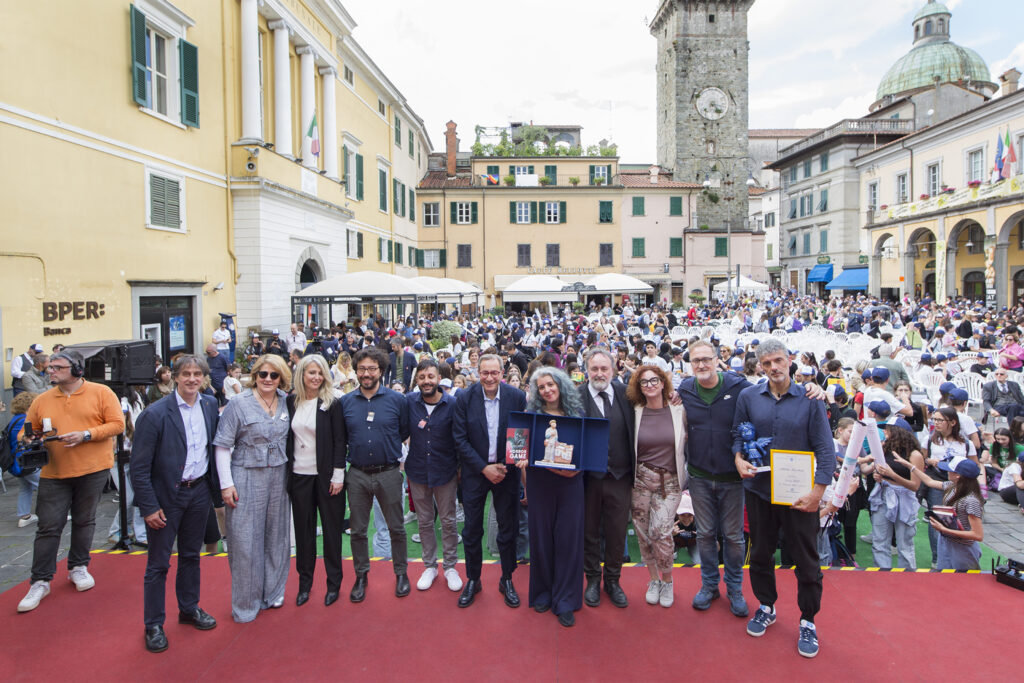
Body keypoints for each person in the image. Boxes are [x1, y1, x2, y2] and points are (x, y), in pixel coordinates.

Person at [733, 338, 834, 659]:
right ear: (759, 366)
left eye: (778, 361)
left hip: (800, 494)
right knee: (760, 554)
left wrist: (818, 492)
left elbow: (825, 448)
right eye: (766, 364)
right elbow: (738, 433)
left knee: (805, 559)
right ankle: (766, 605)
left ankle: (808, 620)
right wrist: (738, 458)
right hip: (760, 491)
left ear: (790, 360)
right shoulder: (749, 396)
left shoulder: (810, 398)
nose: (774, 368)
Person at [16, 350, 126, 613]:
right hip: (54, 473)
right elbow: (25, 430)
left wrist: (86, 435)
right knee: (48, 526)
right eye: (50, 367)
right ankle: (40, 581)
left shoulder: (101, 393)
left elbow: (117, 424)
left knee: (84, 520)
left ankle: (78, 567)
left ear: (77, 369)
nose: (50, 371)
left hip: (92, 469)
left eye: (57, 367)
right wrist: (28, 439)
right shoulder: (42, 399)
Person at [130, 355, 221, 652]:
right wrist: (148, 506)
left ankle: (189, 608)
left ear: (204, 377)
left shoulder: (209, 405)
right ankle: (153, 623)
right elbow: (139, 467)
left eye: (197, 374)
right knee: (158, 564)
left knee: (192, 555)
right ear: (175, 378)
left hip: (198, 493)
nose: (192, 379)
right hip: (166, 498)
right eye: (186, 374)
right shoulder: (155, 414)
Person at [213, 354, 292, 622]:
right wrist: (226, 485)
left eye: (274, 375)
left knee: (276, 537)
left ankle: (272, 592)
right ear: (254, 375)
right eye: (263, 374)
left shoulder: (286, 401)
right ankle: (246, 603)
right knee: (245, 540)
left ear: (282, 377)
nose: (268, 379)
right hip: (245, 475)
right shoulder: (238, 403)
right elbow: (223, 446)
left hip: (279, 476)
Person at [677, 339, 751, 616]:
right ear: (690, 364)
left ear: (718, 359)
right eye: (696, 361)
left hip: (732, 478)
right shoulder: (685, 389)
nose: (702, 365)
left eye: (706, 359)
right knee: (706, 535)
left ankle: (734, 587)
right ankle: (709, 585)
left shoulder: (739, 387)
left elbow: (767, 396)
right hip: (698, 476)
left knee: (733, 537)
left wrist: (810, 386)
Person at [452, 353, 527, 609]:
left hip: (507, 473)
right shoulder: (464, 398)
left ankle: (507, 578)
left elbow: (520, 434)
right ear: (478, 372)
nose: (490, 378)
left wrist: (506, 466)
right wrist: (484, 468)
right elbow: (460, 440)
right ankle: (473, 579)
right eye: (485, 373)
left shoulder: (516, 397)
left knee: (508, 529)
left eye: (494, 373)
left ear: (502, 373)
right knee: (472, 529)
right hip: (475, 473)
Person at [515, 366, 586, 627]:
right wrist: (525, 482)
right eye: (541, 387)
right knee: (542, 539)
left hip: (571, 485)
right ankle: (543, 593)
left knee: (568, 540)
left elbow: (586, 451)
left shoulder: (577, 414)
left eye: (550, 385)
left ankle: (566, 599)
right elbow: (518, 453)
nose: (547, 390)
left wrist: (574, 471)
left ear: (561, 385)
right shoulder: (529, 416)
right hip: (539, 484)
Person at [340, 347, 411, 602]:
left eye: (371, 368)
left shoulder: (397, 400)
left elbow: (403, 432)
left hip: (389, 472)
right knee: (358, 530)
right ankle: (361, 575)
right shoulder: (345, 402)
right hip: (357, 474)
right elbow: (342, 438)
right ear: (355, 371)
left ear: (381, 370)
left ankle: (401, 573)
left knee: (397, 528)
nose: (366, 373)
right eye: (361, 369)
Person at [286, 355, 347, 607]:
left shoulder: (332, 403)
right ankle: (305, 584)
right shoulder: (290, 402)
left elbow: (339, 440)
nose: (316, 377)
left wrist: (338, 474)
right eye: (311, 372)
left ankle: (333, 584)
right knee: (304, 533)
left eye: (320, 373)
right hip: (299, 477)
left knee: (332, 532)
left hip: (327, 478)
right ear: (301, 374)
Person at [577, 348, 634, 609]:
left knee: (617, 532)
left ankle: (613, 580)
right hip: (588, 479)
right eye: (594, 369)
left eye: (604, 369)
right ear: (586, 370)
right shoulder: (575, 397)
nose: (599, 373)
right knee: (589, 531)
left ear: (613, 370)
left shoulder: (627, 394)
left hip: (621, 477)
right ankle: (592, 580)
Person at [628, 364, 687, 609]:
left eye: (654, 380)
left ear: (663, 383)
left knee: (661, 532)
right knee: (642, 533)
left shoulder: (679, 409)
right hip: (640, 480)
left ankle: (668, 580)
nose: (650, 385)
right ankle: (653, 580)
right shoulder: (635, 411)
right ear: (639, 387)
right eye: (644, 382)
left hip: (670, 482)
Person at [405, 358, 464, 593]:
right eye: (422, 377)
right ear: (417, 380)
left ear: (439, 378)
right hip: (417, 470)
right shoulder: (409, 402)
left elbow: (460, 437)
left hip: (446, 471)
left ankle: (450, 566)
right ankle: (429, 566)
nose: (426, 381)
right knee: (424, 522)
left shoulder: (453, 403)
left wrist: (460, 469)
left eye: (430, 376)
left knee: (449, 521)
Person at [904, 456, 985, 570]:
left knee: (964, 582)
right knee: (944, 578)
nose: (946, 471)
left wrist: (944, 529)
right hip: (946, 541)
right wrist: (911, 467)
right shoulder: (952, 486)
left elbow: (977, 535)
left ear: (958, 475)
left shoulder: (971, 500)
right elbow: (930, 482)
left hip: (962, 547)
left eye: (949, 469)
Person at [863, 416, 922, 570]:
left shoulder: (915, 455)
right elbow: (871, 470)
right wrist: (879, 476)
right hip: (883, 494)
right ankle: (882, 575)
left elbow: (915, 486)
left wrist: (892, 476)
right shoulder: (884, 448)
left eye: (888, 429)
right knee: (879, 541)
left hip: (904, 499)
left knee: (904, 544)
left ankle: (907, 577)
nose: (885, 432)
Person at [7, 392, 41, 528]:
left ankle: (24, 515)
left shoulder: (15, 419)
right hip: (27, 461)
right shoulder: (24, 420)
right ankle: (54, 513)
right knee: (46, 487)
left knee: (25, 487)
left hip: (17, 462)